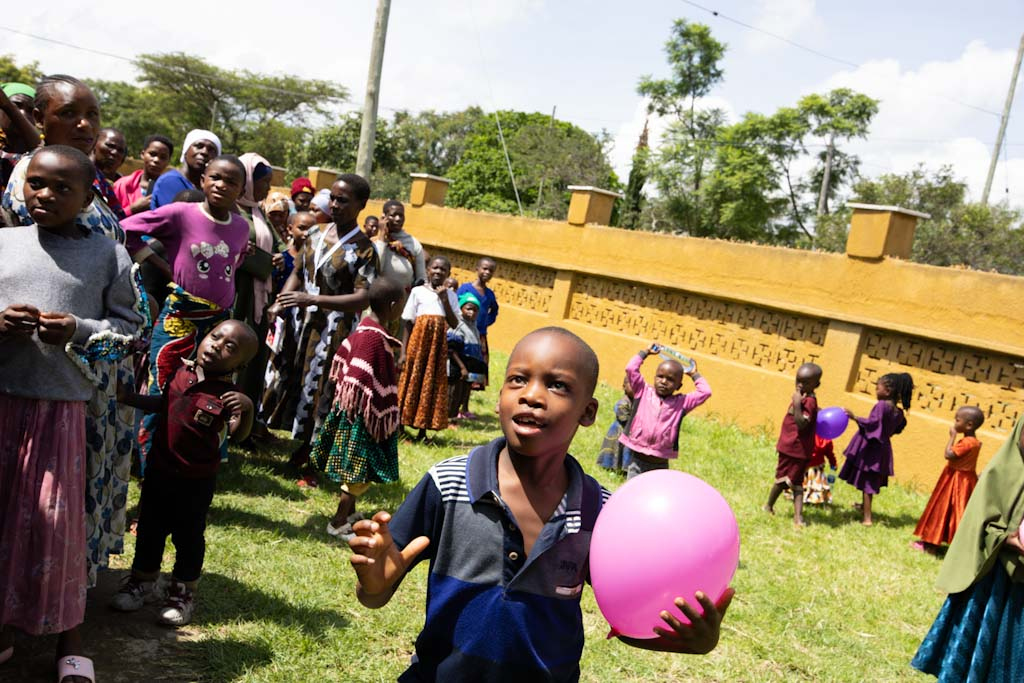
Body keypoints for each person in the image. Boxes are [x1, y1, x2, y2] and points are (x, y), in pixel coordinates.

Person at [348, 327, 734, 682]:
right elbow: (375, 593)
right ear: (500, 394)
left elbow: (627, 622)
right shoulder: (448, 484)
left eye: (558, 385)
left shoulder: (600, 513)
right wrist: (375, 583)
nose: (531, 395)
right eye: (518, 379)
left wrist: (692, 640)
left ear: (588, 413)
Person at [0, 146, 144, 683]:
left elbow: (130, 336)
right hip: (2, 401)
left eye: (63, 188)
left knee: (57, 527)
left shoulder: (108, 255)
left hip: (62, 413)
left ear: (89, 197)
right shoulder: (4, 242)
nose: (46, 195)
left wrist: (79, 331)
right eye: (37, 183)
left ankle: (69, 635)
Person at [2, 75, 150, 589]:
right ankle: (42, 588)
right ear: (40, 118)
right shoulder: (35, 181)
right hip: (49, 376)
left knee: (83, 478)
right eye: (68, 113)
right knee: (45, 491)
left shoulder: (89, 181)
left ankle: (68, 583)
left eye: (92, 113)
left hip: (96, 359)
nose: (85, 125)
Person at [111, 320, 257, 627]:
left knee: (188, 537)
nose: (217, 345)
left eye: (230, 347)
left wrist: (247, 410)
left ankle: (181, 592)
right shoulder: (181, 373)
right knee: (150, 529)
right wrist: (128, 398)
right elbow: (163, 404)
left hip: (196, 481)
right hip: (160, 471)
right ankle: (142, 582)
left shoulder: (229, 395)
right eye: (215, 337)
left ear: (240, 363)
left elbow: (238, 435)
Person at [121, 155, 251, 469]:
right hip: (179, 320)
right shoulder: (181, 214)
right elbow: (125, 228)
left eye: (231, 181)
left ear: (240, 190)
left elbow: (236, 262)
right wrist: (163, 267)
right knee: (164, 390)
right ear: (203, 180)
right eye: (216, 177)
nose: (221, 185)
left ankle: (199, 462)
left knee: (212, 392)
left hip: (219, 325)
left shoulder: (240, 227)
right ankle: (151, 467)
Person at [270, 175, 379, 472]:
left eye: (343, 200)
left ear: (360, 205)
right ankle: (291, 441)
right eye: (332, 198)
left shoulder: (364, 249)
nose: (334, 204)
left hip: (335, 330)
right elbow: (297, 271)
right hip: (302, 321)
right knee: (293, 377)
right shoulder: (315, 234)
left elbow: (361, 299)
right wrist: (280, 301)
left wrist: (314, 300)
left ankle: (312, 456)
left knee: (323, 388)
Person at [911, 415, 1024, 681]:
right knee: (979, 646)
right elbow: (979, 522)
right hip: (992, 578)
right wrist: (1009, 540)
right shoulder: (1002, 471)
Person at [310, 277, 407, 540]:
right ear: (394, 304)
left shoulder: (368, 327)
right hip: (363, 416)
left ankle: (350, 513)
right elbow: (359, 379)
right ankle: (338, 521)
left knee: (359, 469)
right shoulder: (372, 338)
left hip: (361, 413)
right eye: (402, 305)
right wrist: (372, 408)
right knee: (356, 472)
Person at [233, 153, 282, 434]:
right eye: (263, 182)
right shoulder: (232, 211)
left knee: (253, 354)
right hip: (238, 294)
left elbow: (281, 246)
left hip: (258, 297)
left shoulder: (258, 212)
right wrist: (262, 261)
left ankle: (246, 424)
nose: (266, 188)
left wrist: (276, 258)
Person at [618, 343, 712, 480]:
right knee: (634, 494)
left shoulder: (682, 403)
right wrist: (645, 352)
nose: (663, 381)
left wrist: (694, 374)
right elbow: (631, 368)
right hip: (636, 461)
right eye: (660, 376)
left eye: (670, 379)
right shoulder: (643, 392)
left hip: (660, 464)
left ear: (678, 385)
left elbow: (705, 391)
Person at [261, 211, 317, 429]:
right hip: (281, 321)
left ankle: (281, 417)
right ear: (290, 228)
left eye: (311, 229)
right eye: (302, 228)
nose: (306, 234)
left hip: (304, 323)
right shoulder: (282, 258)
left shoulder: (315, 257)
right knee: (273, 368)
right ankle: (263, 414)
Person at [397, 255, 460, 441]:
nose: (438, 272)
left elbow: (454, 323)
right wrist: (403, 351)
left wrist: (444, 300)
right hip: (418, 344)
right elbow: (408, 323)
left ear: (448, 274)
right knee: (412, 380)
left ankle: (423, 429)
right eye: (435, 268)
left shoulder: (451, 296)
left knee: (431, 383)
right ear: (428, 270)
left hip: (437, 348)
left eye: (443, 270)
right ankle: (401, 426)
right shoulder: (417, 292)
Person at [839, 372, 914, 526]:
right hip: (883, 448)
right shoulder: (898, 412)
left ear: (887, 391)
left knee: (868, 483)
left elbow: (873, 423)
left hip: (872, 449)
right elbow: (898, 427)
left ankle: (867, 518)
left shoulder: (881, 406)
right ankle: (863, 507)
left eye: (877, 387)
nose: (875, 390)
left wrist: (855, 418)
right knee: (869, 478)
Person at [912, 406, 985, 553]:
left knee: (942, 509)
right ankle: (951, 544)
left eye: (957, 420)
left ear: (969, 425)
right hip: (966, 480)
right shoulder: (976, 442)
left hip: (955, 480)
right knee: (956, 512)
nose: (954, 423)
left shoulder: (966, 442)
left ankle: (931, 545)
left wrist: (951, 437)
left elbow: (949, 454)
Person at [763, 363, 822, 527]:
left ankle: (795, 516)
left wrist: (797, 403)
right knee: (786, 480)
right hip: (788, 447)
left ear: (816, 385)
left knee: (792, 482)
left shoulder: (808, 401)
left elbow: (802, 424)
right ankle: (775, 508)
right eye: (798, 380)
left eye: (805, 382)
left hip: (797, 449)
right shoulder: (803, 396)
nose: (800, 385)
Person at [149, 129, 221, 210]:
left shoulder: (211, 187)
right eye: (199, 146)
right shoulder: (170, 181)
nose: (204, 152)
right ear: (186, 151)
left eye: (211, 150)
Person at [456, 257, 499, 387]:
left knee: (475, 367)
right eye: (484, 269)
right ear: (477, 269)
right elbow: (455, 306)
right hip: (463, 333)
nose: (487, 272)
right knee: (461, 363)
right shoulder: (465, 289)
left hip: (479, 335)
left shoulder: (489, 294)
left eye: (490, 271)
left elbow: (494, 311)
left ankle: (466, 401)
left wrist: (485, 322)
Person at [446, 291, 487, 422]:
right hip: (458, 367)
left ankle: (456, 414)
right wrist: (462, 367)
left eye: (475, 310)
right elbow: (452, 349)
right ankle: (449, 418)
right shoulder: (458, 325)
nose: (472, 313)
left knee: (462, 393)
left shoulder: (474, 327)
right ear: (461, 308)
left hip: (469, 368)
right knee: (453, 393)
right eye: (469, 308)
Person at [112, 134, 173, 216]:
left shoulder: (170, 191)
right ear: (142, 154)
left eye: (163, 157)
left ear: (168, 161)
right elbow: (109, 217)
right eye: (152, 154)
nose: (156, 160)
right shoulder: (121, 185)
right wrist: (132, 209)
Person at [375, 199, 426, 294]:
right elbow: (377, 268)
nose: (398, 219)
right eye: (393, 215)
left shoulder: (413, 243)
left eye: (401, 215)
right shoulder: (375, 242)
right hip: (379, 297)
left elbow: (422, 278)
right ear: (384, 217)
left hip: (403, 301)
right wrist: (382, 235)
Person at [596, 376, 636, 473]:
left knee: (624, 451)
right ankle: (610, 466)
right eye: (631, 385)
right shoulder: (623, 403)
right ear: (624, 386)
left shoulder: (634, 403)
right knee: (614, 449)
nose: (635, 388)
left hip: (628, 431)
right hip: (619, 431)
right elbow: (623, 417)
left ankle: (622, 468)